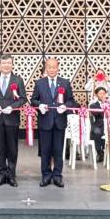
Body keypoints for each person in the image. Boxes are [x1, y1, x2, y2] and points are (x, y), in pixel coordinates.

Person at [30, 57, 76, 188]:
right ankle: (45, 175)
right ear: (46, 68)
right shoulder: (39, 83)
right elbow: (33, 100)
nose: (51, 69)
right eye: (49, 67)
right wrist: (39, 105)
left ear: (58, 68)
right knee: (45, 151)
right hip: (45, 121)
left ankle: (57, 176)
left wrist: (65, 106)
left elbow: (71, 101)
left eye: (54, 67)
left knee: (58, 151)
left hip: (59, 122)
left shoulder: (65, 83)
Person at [0, 54, 27, 187]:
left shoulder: (18, 80)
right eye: (4, 63)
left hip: (12, 119)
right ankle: (1, 174)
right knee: (0, 149)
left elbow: (23, 98)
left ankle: (11, 174)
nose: (6, 65)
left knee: (12, 149)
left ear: (12, 65)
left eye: (9, 63)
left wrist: (12, 107)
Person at [88, 87, 110, 164]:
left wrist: (108, 104)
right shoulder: (93, 105)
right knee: (97, 132)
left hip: (109, 123)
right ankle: (99, 152)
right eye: (100, 93)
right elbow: (98, 114)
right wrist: (104, 106)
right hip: (99, 124)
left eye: (104, 93)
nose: (102, 95)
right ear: (96, 95)